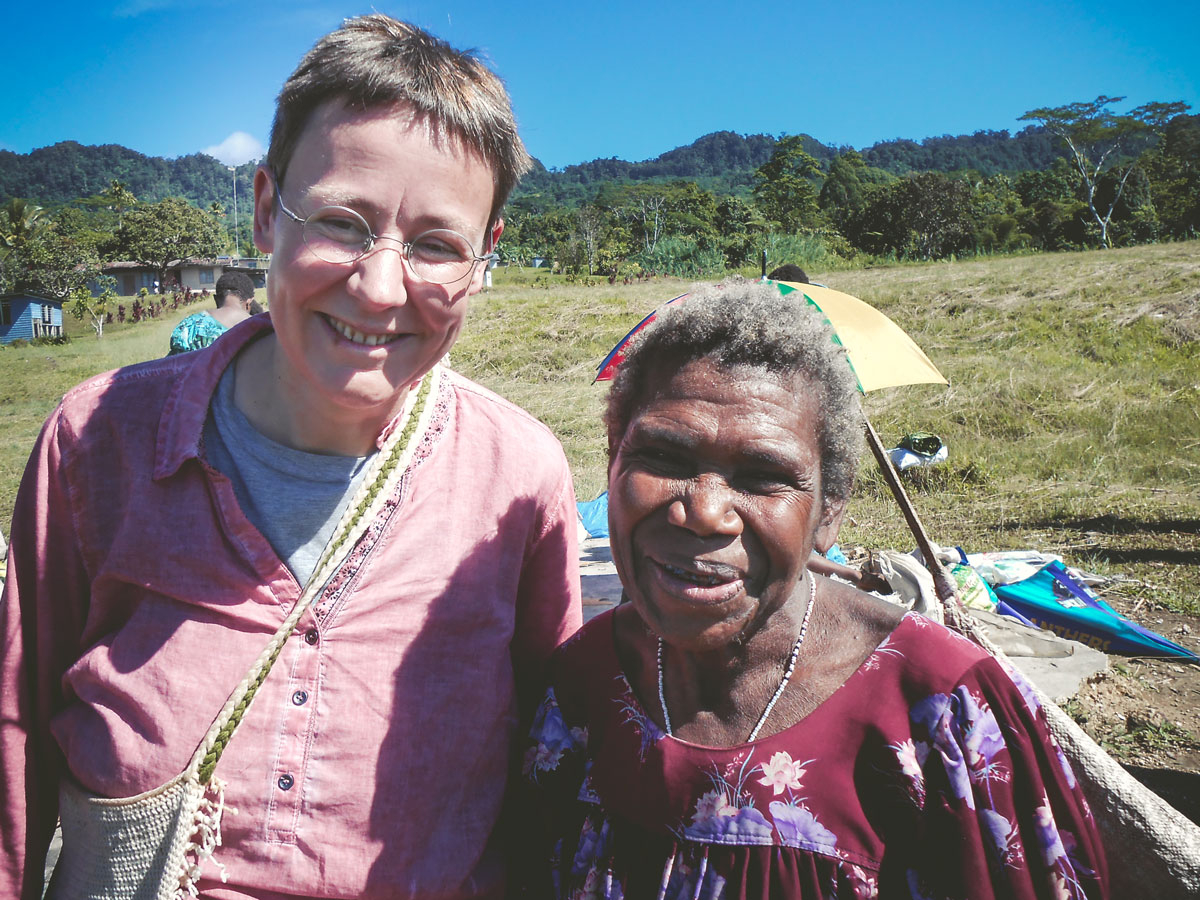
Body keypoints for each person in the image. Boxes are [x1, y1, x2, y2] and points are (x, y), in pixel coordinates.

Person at [2, 15, 581, 899]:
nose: (381, 287)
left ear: (485, 255)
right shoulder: (96, 445)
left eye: (435, 244)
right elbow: (14, 745)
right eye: (345, 224)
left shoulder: (520, 481)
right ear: (270, 209)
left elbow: (549, 761)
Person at [523, 279, 1107, 899]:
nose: (704, 511)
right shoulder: (582, 684)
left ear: (829, 511)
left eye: (763, 476)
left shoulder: (942, 709)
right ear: (613, 462)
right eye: (664, 458)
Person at [167, 270, 255, 355]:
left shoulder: (190, 326)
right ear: (249, 303)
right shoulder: (261, 329)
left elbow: (175, 365)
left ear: (216, 299)